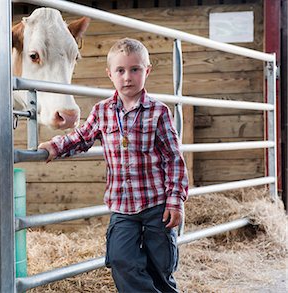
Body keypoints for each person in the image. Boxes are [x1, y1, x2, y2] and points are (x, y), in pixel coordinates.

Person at [38, 38, 189, 292]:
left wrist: (176, 200)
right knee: (120, 259)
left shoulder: (159, 112)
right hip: (122, 207)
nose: (127, 77)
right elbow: (81, 137)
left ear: (147, 71)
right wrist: (55, 146)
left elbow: (173, 159)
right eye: (120, 70)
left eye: (135, 69)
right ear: (110, 74)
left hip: (156, 205)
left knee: (160, 267)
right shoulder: (102, 111)